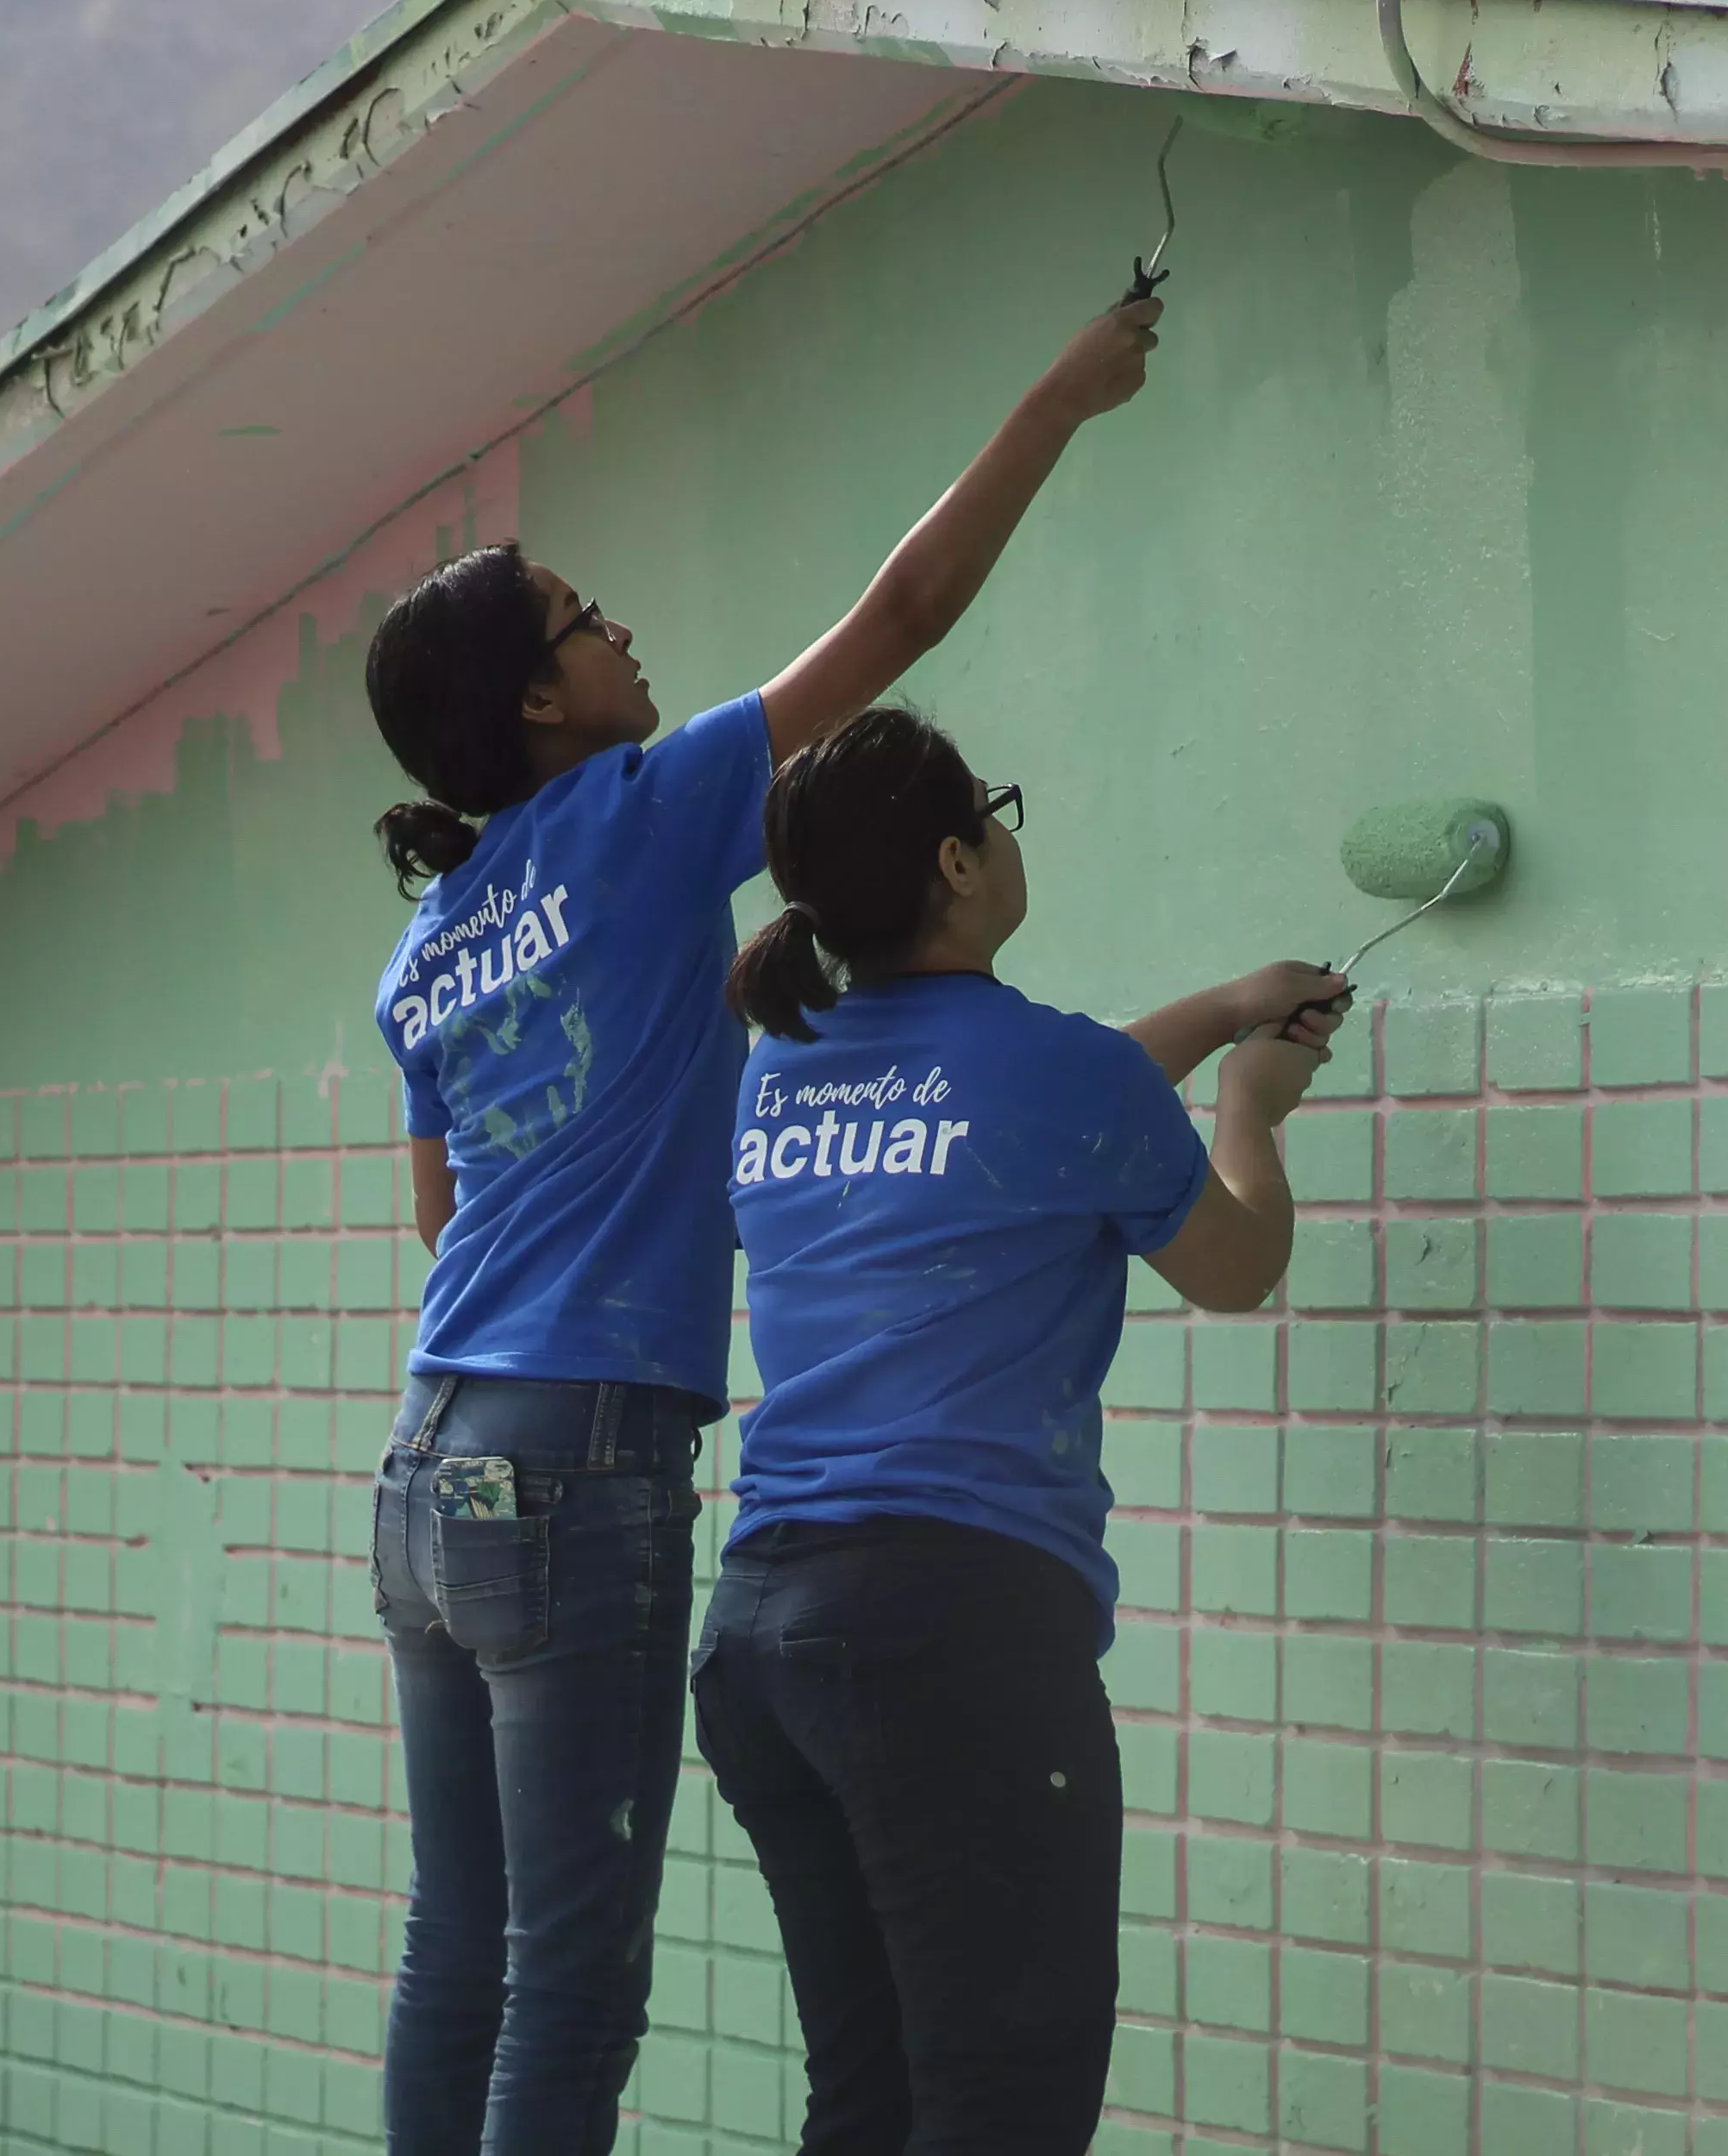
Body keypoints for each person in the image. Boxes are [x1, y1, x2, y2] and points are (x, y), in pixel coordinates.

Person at [360, 294, 1163, 2156]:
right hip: (577, 1466)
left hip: (427, 1465)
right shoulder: (635, 819)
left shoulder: (431, 940)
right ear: (543, 702)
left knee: (454, 1953)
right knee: (572, 1977)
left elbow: (446, 1222)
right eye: (581, 615)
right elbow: (900, 625)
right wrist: (1058, 394)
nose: (618, 624)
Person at [693, 706, 1346, 2156]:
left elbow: (1024, 1096)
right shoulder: (1055, 1080)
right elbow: (1235, 1267)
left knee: (868, 2103)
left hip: (763, 1639)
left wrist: (1216, 1004)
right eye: (991, 808)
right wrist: (1253, 1102)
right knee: (1003, 2109)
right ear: (955, 859)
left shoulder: (778, 1068)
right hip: (949, 1636)